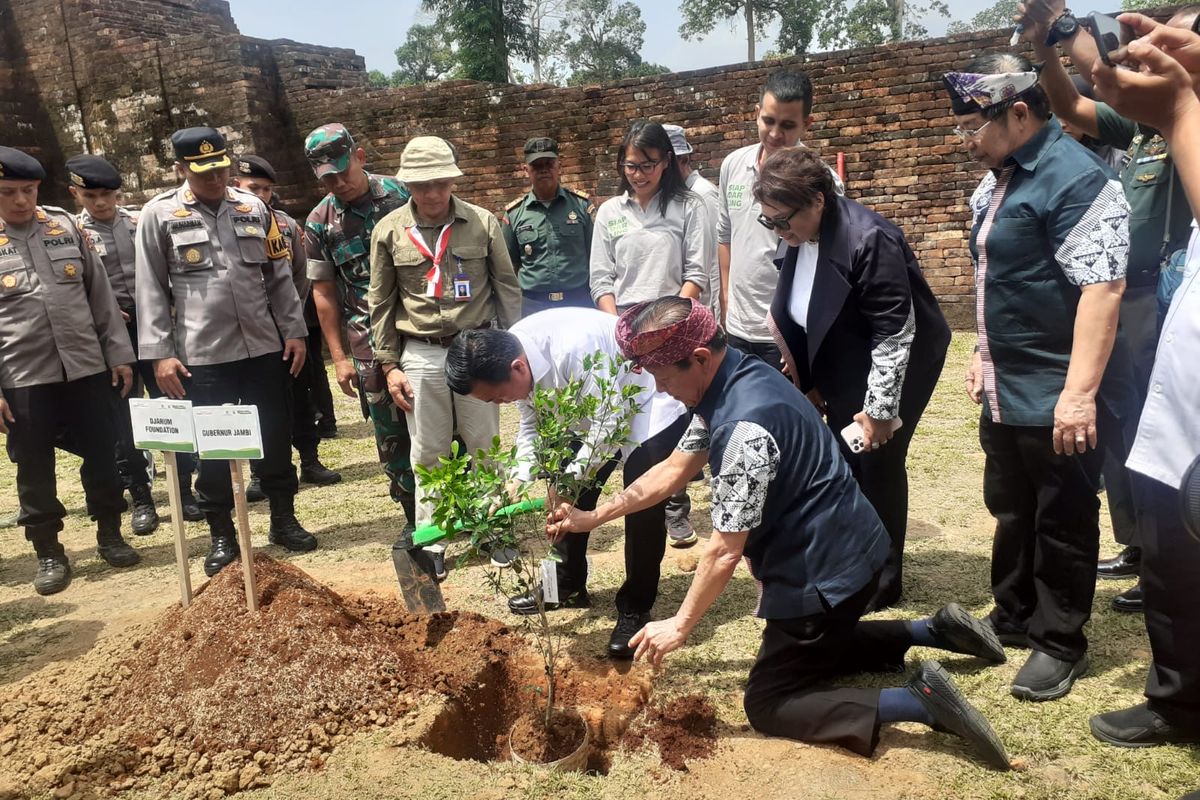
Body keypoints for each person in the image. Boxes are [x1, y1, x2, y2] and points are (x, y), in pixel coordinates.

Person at [546, 297, 1011, 769]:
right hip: (861, 551)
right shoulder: (741, 375)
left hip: (825, 581)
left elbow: (724, 552)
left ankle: (919, 702)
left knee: (769, 703)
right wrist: (592, 517)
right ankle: (933, 630)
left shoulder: (743, 431)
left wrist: (679, 625)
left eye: (666, 379)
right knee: (818, 647)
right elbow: (672, 469)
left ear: (701, 358)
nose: (663, 392)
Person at [944, 56, 1132, 701]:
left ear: (1018, 113)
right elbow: (997, 279)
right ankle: (1014, 614)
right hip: (1005, 386)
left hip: (1058, 389)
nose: (965, 140)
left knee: (1063, 515)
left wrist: (1079, 396)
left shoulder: (1075, 178)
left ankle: (1059, 640)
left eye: (973, 125)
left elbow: (1102, 291)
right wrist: (981, 354)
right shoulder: (998, 180)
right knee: (1012, 507)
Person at [1017, 0, 1200, 614]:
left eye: (1177, 48)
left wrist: (1070, 23)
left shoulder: (1187, 123)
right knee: (1122, 430)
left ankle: (1169, 556)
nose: (1161, 59)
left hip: (1165, 302)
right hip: (1128, 298)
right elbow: (1071, 104)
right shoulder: (1147, 129)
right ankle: (1141, 547)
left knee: (1161, 434)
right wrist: (1047, 43)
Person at [758, 147, 951, 611]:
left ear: (818, 201)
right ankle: (853, 562)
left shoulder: (870, 238)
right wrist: (811, 379)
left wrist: (882, 410)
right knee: (845, 459)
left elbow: (894, 330)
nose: (780, 233)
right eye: (770, 223)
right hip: (844, 359)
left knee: (878, 462)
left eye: (784, 221)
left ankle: (885, 578)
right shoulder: (801, 239)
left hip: (895, 364)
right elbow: (806, 314)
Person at [444, 307, 689, 657]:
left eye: (498, 397)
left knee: (641, 503)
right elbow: (532, 422)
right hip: (587, 414)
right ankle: (564, 584)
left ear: (517, 367)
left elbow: (609, 424)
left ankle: (635, 605)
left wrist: (567, 484)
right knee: (564, 491)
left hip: (645, 402)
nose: (502, 403)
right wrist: (519, 479)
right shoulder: (511, 352)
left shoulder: (576, 347)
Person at [1087, 10, 1200, 748]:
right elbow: (1077, 106)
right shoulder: (1162, 137)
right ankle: (1178, 703)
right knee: (1171, 557)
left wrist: (1182, 108)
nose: (1163, 45)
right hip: (1180, 393)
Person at [135, 126, 315, 577]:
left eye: (219, 168)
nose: (214, 178)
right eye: (202, 170)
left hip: (262, 349)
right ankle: (221, 533)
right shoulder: (159, 215)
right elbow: (151, 288)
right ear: (180, 169)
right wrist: (159, 353)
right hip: (201, 356)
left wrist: (294, 332)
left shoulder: (253, 207)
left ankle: (282, 517)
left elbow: (278, 277)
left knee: (275, 435)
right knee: (211, 450)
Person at [368, 135, 522, 578]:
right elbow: (380, 302)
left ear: (452, 180)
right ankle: (432, 538)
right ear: (408, 186)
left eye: (439, 183)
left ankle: (495, 529)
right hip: (421, 353)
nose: (432, 194)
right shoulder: (389, 230)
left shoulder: (482, 223)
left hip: (477, 348)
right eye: (421, 185)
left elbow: (506, 286)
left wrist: (514, 348)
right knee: (429, 450)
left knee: (485, 445)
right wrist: (390, 365)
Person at [0, 146, 140, 594]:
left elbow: (101, 298)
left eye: (29, 190)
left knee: (102, 453)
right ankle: (48, 552)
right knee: (34, 468)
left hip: (85, 368)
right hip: (24, 376)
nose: (21, 201)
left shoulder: (64, 227)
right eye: (8, 193)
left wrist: (118, 355)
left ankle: (110, 534)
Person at [590, 120, 710, 547]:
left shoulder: (690, 207)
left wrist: (670, 325)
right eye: (630, 166)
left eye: (647, 165)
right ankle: (633, 501)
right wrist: (618, 328)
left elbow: (696, 271)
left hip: (674, 329)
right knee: (627, 422)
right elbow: (602, 280)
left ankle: (675, 509)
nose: (637, 174)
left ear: (666, 163)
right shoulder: (609, 212)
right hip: (623, 332)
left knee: (671, 422)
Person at [304, 123, 416, 530]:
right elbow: (324, 293)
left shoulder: (404, 195)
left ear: (360, 156)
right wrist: (339, 358)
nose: (337, 183)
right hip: (368, 343)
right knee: (392, 439)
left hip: (421, 330)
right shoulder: (319, 223)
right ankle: (415, 521)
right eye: (326, 178)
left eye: (342, 171)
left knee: (449, 427)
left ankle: (465, 515)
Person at [232, 154, 341, 496]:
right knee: (251, 405)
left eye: (266, 189)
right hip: (246, 332)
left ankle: (309, 459)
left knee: (299, 396)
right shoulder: (222, 224)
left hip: (289, 326)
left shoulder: (286, 226)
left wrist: (286, 316)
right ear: (236, 185)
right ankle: (258, 473)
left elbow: (300, 276)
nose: (260, 195)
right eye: (253, 188)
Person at [718, 68, 841, 369]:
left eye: (787, 125)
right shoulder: (733, 165)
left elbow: (831, 262)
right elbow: (725, 237)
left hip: (786, 332)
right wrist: (725, 304)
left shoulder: (822, 181)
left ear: (806, 124)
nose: (775, 134)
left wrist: (804, 334)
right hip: (737, 328)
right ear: (756, 113)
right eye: (768, 121)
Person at [500, 137, 595, 316]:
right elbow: (509, 266)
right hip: (532, 304)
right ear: (525, 169)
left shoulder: (581, 206)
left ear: (559, 166)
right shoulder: (514, 214)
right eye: (537, 165)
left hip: (578, 300)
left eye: (549, 164)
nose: (544, 170)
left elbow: (595, 255)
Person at [663, 124, 720, 316]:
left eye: (668, 163)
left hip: (703, 305)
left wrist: (716, 312)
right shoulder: (671, 197)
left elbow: (714, 260)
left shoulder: (703, 194)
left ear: (684, 160)